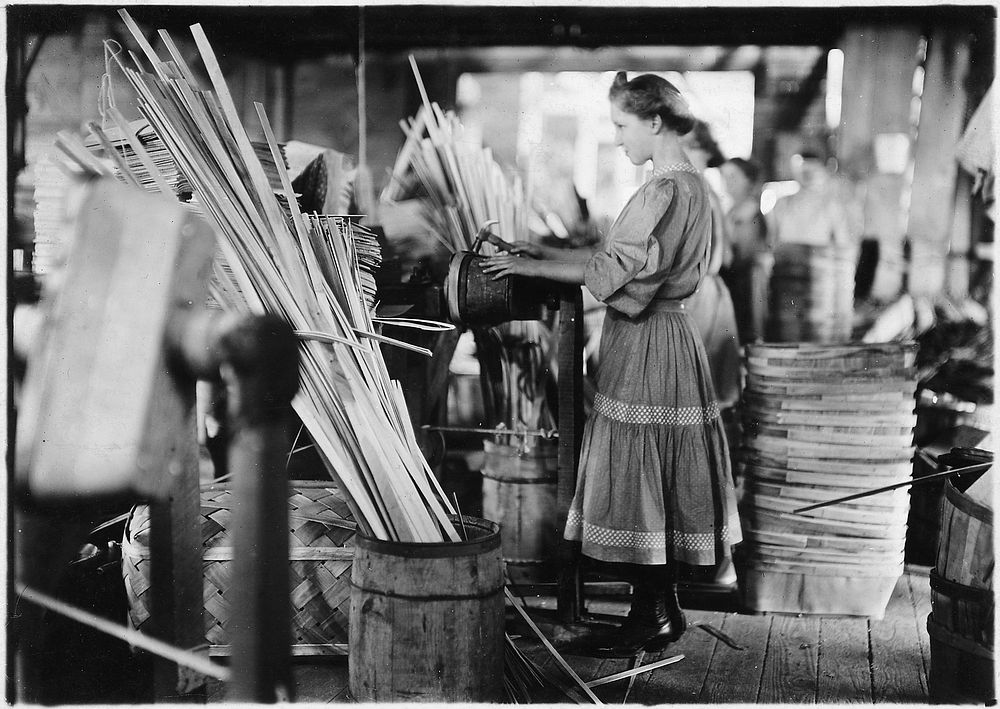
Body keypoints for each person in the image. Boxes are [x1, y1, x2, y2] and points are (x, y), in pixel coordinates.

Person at [481, 72, 741, 657]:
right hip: (670, 338)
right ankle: (662, 607)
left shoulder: (662, 192)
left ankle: (648, 612)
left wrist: (531, 271)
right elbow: (615, 256)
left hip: (648, 340)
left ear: (654, 122)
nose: (619, 138)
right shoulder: (690, 188)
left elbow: (614, 275)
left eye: (623, 126)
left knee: (639, 466)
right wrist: (543, 252)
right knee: (658, 469)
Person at [720, 157, 771, 343]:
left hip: (747, 283)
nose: (727, 182)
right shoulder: (732, 210)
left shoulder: (748, 213)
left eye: (733, 176)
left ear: (748, 180)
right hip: (737, 280)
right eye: (724, 176)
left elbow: (744, 255)